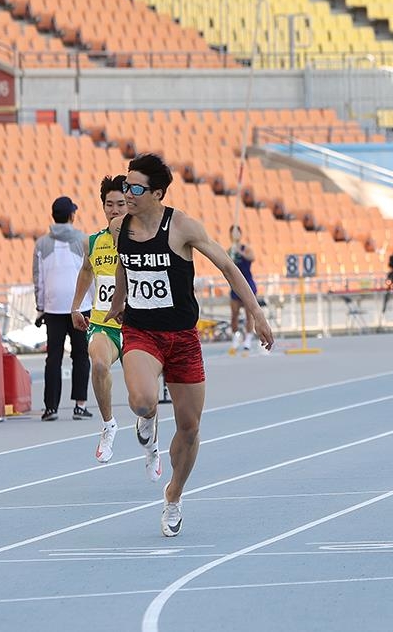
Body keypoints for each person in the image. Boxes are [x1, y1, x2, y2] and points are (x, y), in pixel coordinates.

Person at [105, 153, 274, 537]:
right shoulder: (119, 228)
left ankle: (174, 495)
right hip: (141, 332)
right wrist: (119, 299)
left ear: (157, 193)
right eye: (125, 185)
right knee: (143, 401)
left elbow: (229, 267)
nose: (127, 194)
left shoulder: (181, 227)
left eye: (135, 188)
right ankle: (147, 421)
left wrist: (257, 315)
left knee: (190, 428)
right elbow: (123, 264)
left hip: (182, 337)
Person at [70, 175, 127, 462]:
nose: (115, 210)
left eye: (120, 204)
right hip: (105, 323)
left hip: (139, 327)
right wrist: (75, 307)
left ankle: (152, 443)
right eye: (109, 205)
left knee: (145, 403)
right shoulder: (93, 242)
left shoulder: (144, 241)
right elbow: (85, 271)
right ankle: (108, 425)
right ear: (103, 207)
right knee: (100, 364)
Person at [33, 196, 93, 421]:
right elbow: (90, 275)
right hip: (80, 306)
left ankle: (51, 408)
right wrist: (93, 303)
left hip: (53, 306)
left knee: (54, 358)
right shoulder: (84, 240)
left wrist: (40, 306)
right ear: (71, 216)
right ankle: (80, 404)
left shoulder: (42, 244)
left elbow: (38, 278)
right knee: (80, 355)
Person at [228, 224, 258, 351]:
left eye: (237, 232)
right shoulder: (229, 251)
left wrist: (239, 251)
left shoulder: (246, 249)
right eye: (232, 232)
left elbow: (252, 258)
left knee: (248, 314)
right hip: (235, 285)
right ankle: (236, 337)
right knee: (234, 314)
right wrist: (232, 256)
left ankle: (248, 338)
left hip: (248, 283)